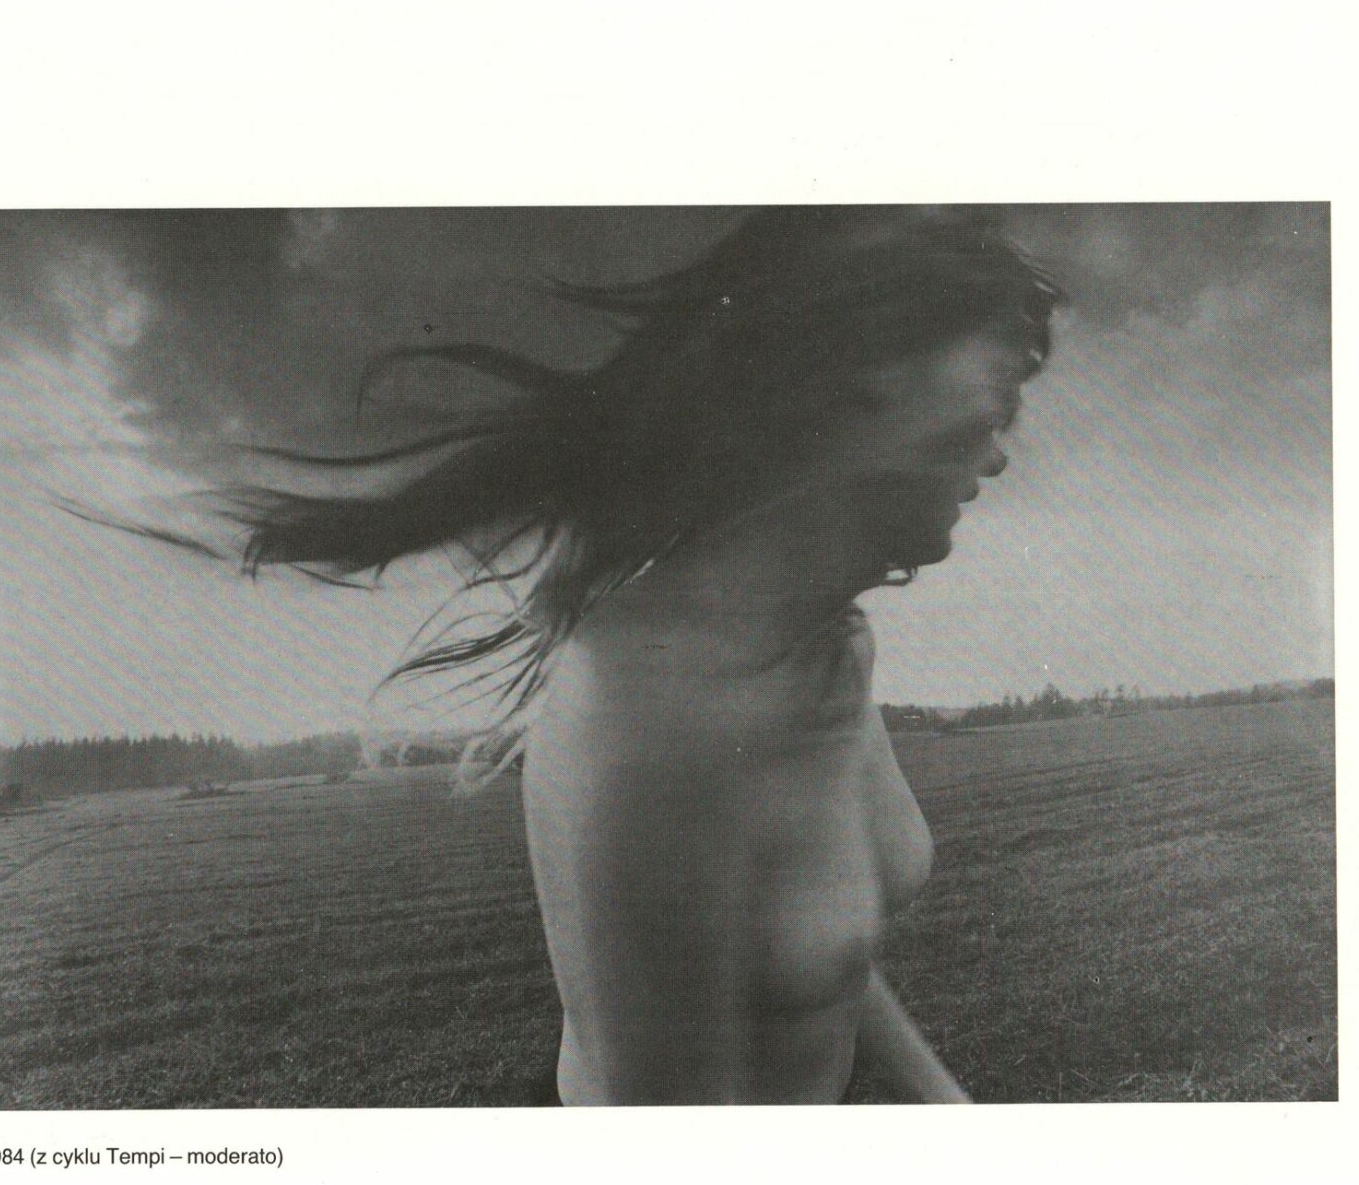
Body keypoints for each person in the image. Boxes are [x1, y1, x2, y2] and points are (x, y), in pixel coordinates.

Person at [230, 206, 1060, 1104]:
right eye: (991, 408)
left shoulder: (833, 642)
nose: (998, 456)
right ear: (857, 393)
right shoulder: (646, 715)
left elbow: (822, 960)